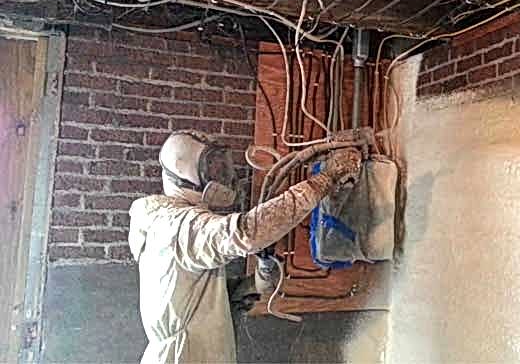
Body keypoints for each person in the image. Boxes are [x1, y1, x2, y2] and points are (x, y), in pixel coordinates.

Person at [128, 130, 362, 364]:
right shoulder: (176, 226)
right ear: (183, 173)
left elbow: (195, 296)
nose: (221, 179)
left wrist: (255, 277)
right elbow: (245, 234)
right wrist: (325, 179)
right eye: (211, 170)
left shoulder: (168, 224)